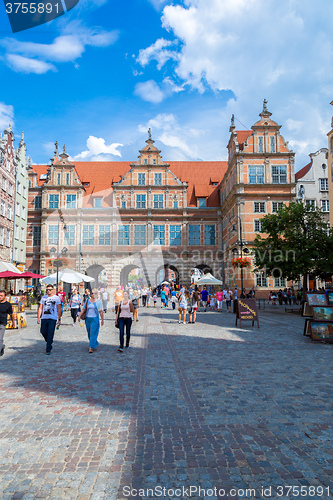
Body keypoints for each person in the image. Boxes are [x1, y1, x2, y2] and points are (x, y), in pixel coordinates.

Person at [37, 285, 61, 355]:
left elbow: (59, 309)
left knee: (50, 332)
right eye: (47, 289)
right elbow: (40, 307)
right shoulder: (43, 298)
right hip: (44, 317)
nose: (48, 291)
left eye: (50, 290)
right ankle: (49, 341)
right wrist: (38, 317)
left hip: (52, 318)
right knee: (43, 331)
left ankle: (48, 348)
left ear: (53, 290)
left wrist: (59, 319)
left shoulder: (56, 298)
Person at [79, 289, 104, 353]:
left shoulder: (99, 302)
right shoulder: (87, 301)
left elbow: (101, 311)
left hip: (94, 319)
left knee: (93, 332)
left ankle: (90, 347)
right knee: (89, 332)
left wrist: (102, 320)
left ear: (97, 294)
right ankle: (93, 343)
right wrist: (79, 316)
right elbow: (84, 309)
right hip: (88, 319)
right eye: (92, 293)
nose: (93, 295)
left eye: (95, 293)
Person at [0, 290, 14, 357]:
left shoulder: (8, 305)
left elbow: (11, 314)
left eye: (1, 295)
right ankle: (2, 346)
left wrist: (13, 323)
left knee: (0, 339)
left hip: (2, 323)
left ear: (5, 296)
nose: (0, 297)